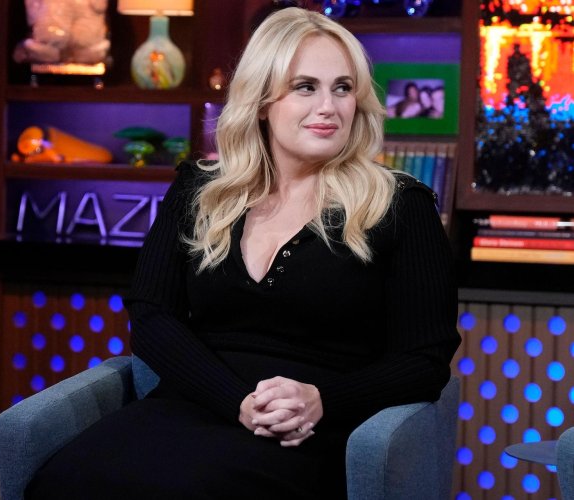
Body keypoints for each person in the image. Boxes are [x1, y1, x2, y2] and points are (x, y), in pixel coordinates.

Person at [25, 7, 460, 499]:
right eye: (305, 87)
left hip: (307, 430)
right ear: (262, 101)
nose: (329, 107)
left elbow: (425, 359)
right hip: (195, 405)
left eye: (342, 88)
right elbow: (152, 316)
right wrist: (236, 401)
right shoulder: (200, 190)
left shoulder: (400, 205)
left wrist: (323, 401)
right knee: (64, 480)